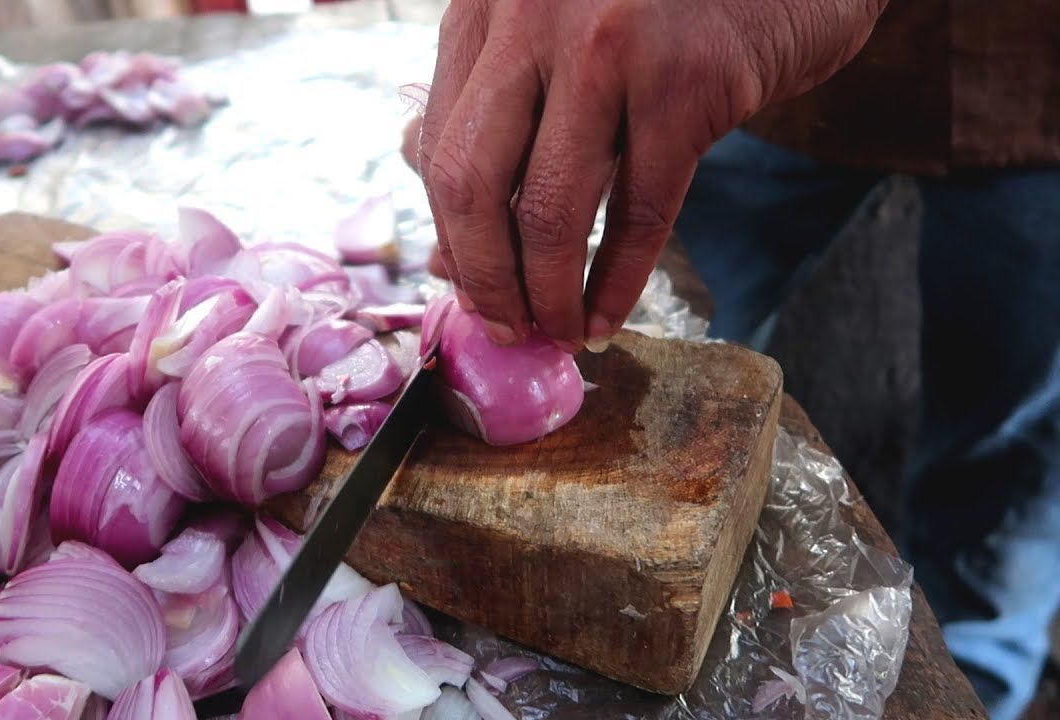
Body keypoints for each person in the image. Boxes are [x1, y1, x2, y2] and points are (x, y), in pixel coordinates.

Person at [401, 1, 1060, 718]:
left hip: (1036, 83)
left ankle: (983, 681)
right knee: (671, 328)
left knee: (1002, 451)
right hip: (758, 82)